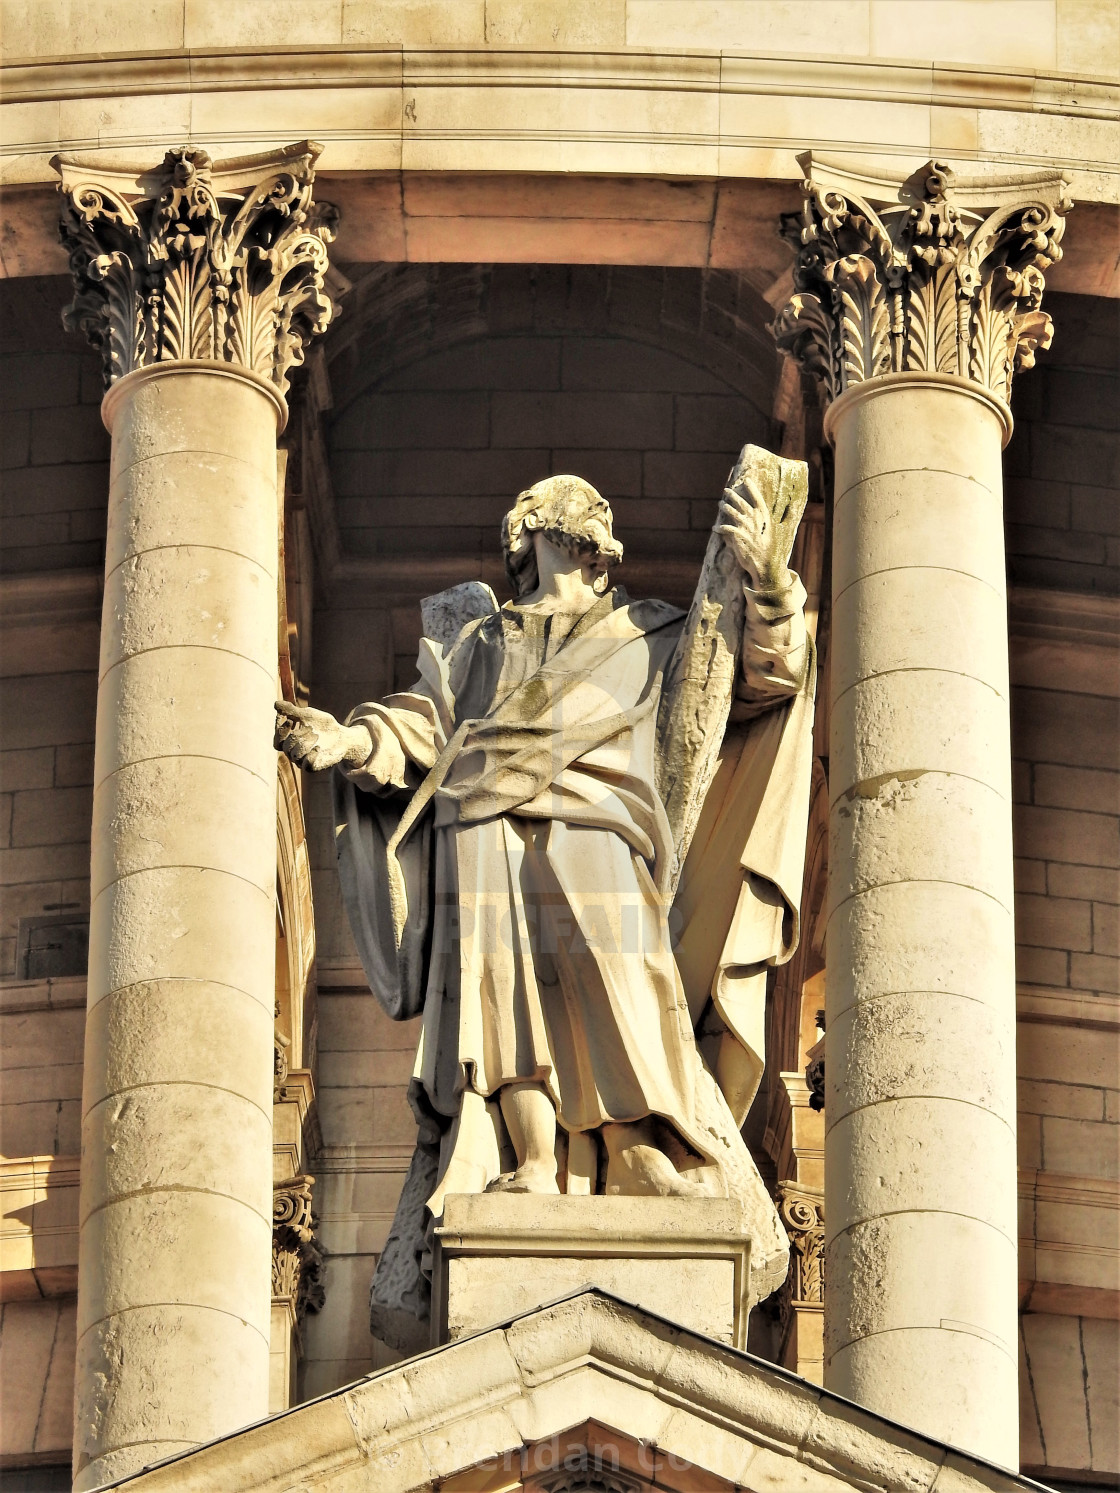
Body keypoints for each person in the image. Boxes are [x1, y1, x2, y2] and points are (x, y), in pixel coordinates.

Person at [276, 452, 815, 1344]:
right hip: (482, 819)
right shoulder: (483, 641)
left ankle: (643, 1148)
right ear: (551, 536)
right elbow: (424, 724)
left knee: (620, 981)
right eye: (574, 523)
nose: (587, 534)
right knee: (502, 1006)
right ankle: (529, 1159)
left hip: (600, 823)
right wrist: (350, 742)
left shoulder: (649, 630)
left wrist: (766, 576)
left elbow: (759, 676)